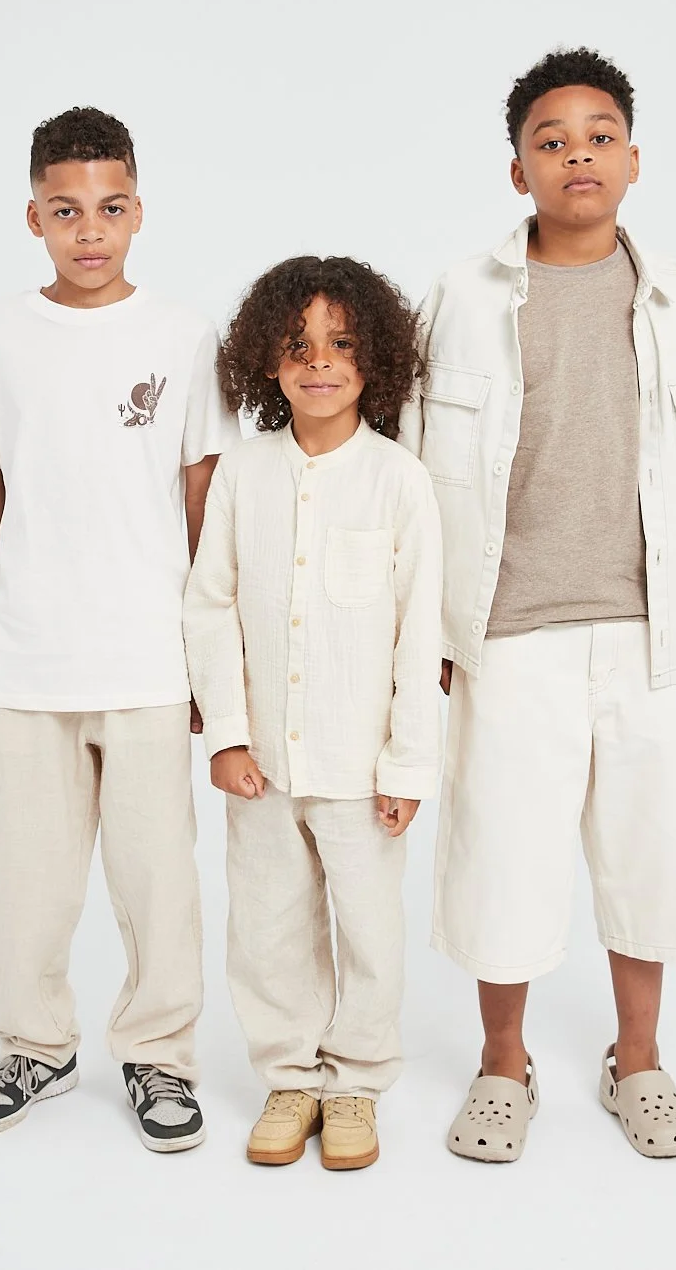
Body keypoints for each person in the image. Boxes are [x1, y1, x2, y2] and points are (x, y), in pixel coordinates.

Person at [400, 48, 676, 1161]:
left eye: (598, 134)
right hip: (506, 629)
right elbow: (408, 466)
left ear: (633, 159)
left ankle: (640, 1059)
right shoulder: (464, 297)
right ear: (517, 169)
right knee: (502, 857)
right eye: (550, 138)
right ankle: (502, 1064)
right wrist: (419, 628)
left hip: (646, 632)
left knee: (651, 853)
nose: (576, 151)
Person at [0, 106, 241, 1150]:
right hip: (29, 651)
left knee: (158, 871)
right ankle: (35, 1043)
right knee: (29, 868)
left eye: (110, 209)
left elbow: (205, 493)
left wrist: (216, 649)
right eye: (66, 211)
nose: (89, 230)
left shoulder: (179, 334)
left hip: (150, 650)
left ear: (138, 212)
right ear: (33, 217)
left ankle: (160, 1058)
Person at [183, 256, 442, 1170]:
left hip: (361, 767)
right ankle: (290, 1077)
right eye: (298, 347)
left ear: (377, 360)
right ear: (266, 360)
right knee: (268, 926)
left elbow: (421, 636)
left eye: (341, 345)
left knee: (372, 930)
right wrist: (225, 734)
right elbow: (208, 604)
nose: (320, 363)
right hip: (260, 767)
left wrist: (409, 766)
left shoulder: (400, 482)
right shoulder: (243, 477)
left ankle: (358, 1083)